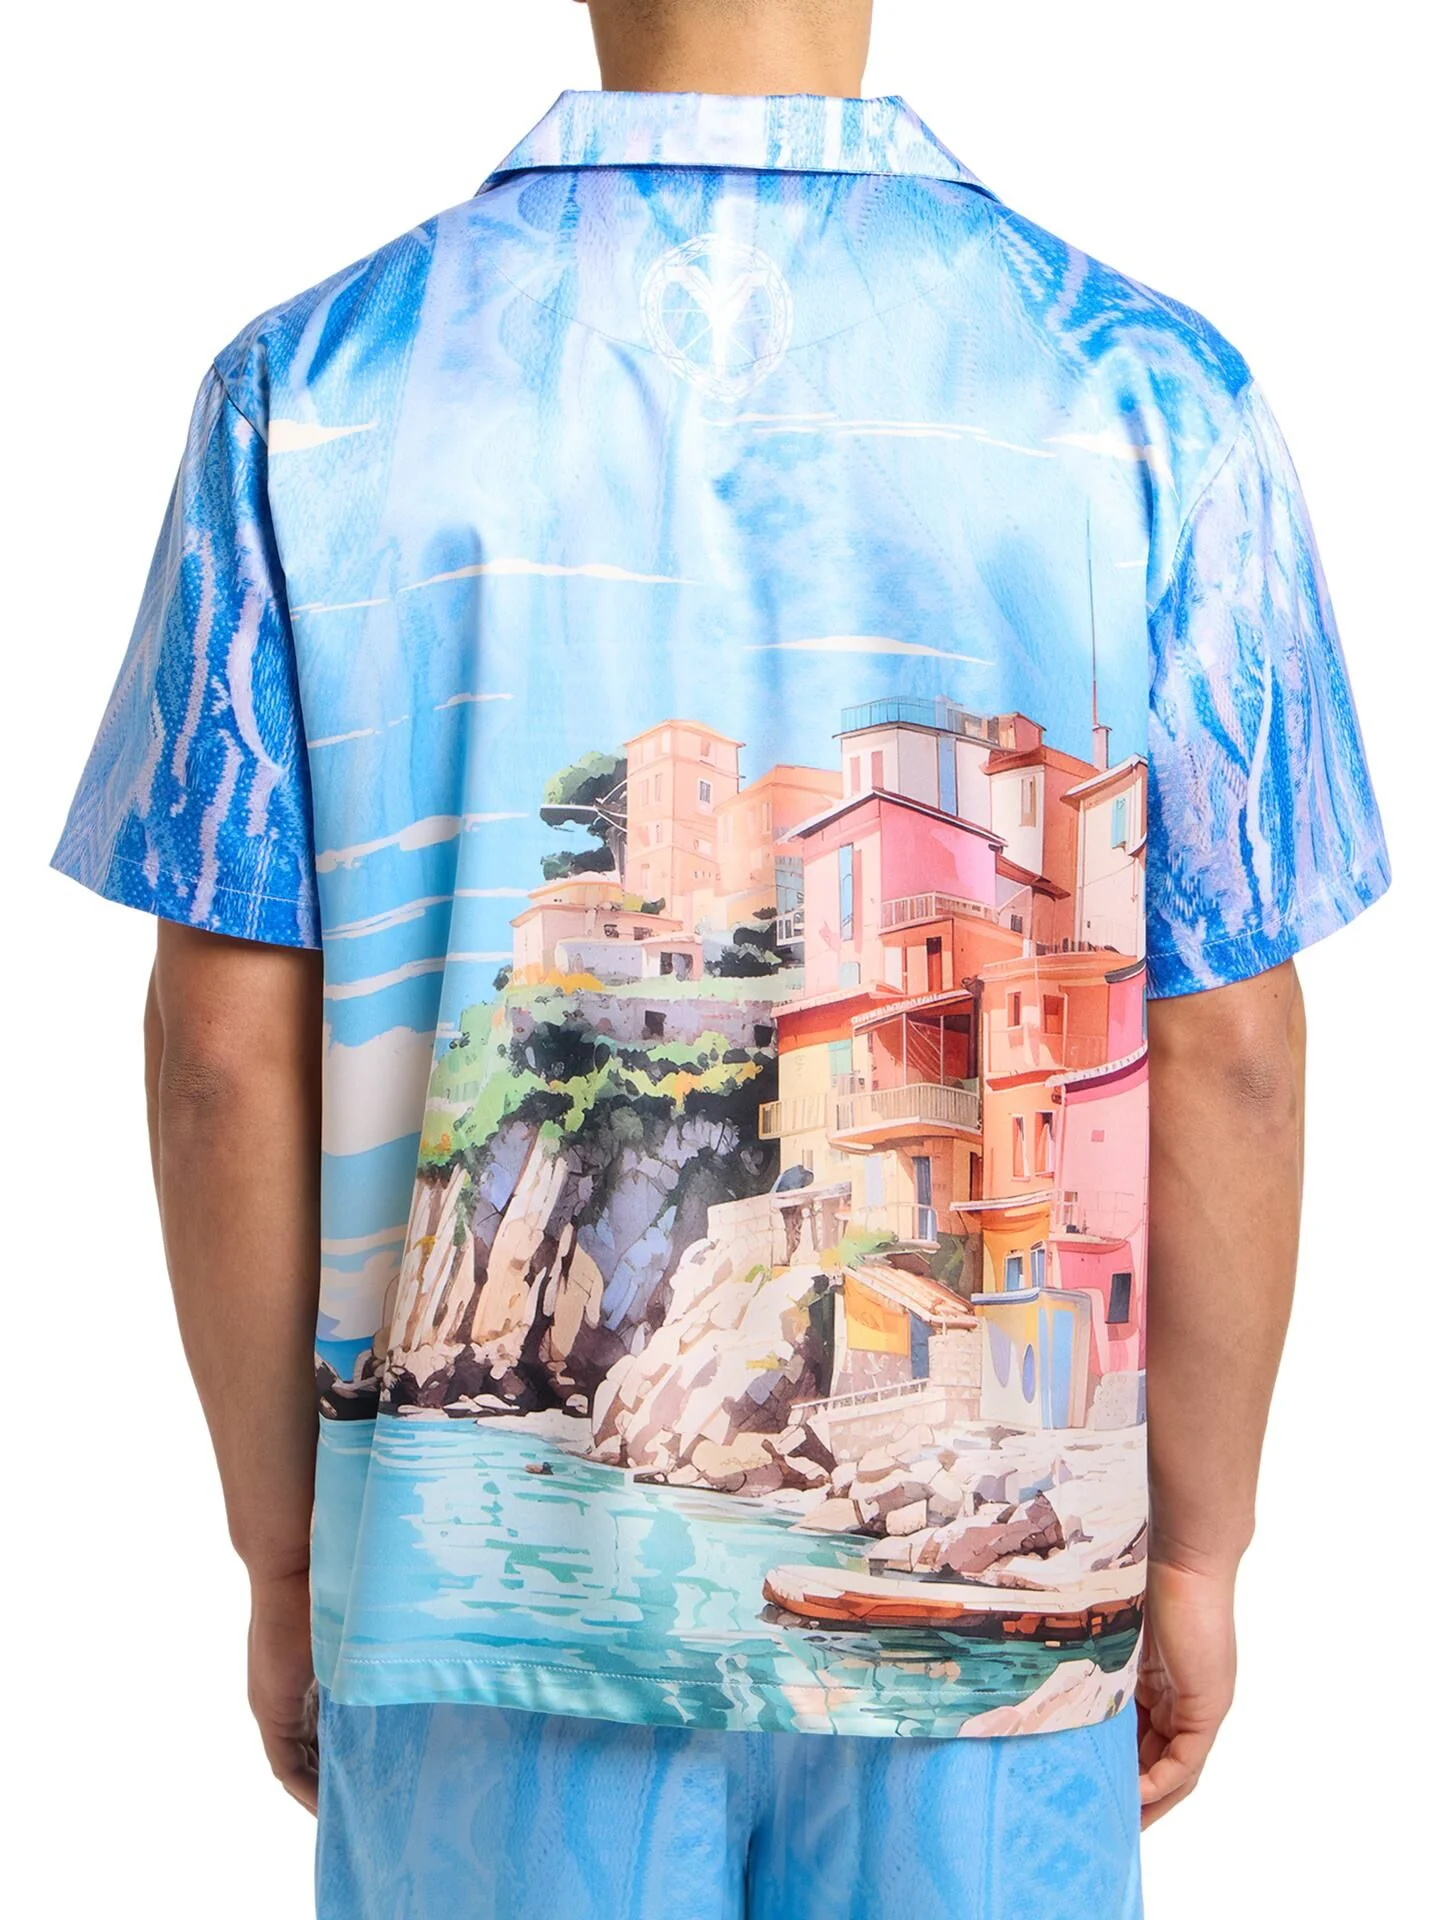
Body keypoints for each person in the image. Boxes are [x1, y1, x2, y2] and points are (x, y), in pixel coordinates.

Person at [52, 2, 1389, 1915]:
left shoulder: (314, 387)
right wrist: (1197, 1553)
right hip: (994, 1702)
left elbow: (220, 1053)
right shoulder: (1150, 393)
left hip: (466, 1649)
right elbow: (1235, 1047)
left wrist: (284, 1555)